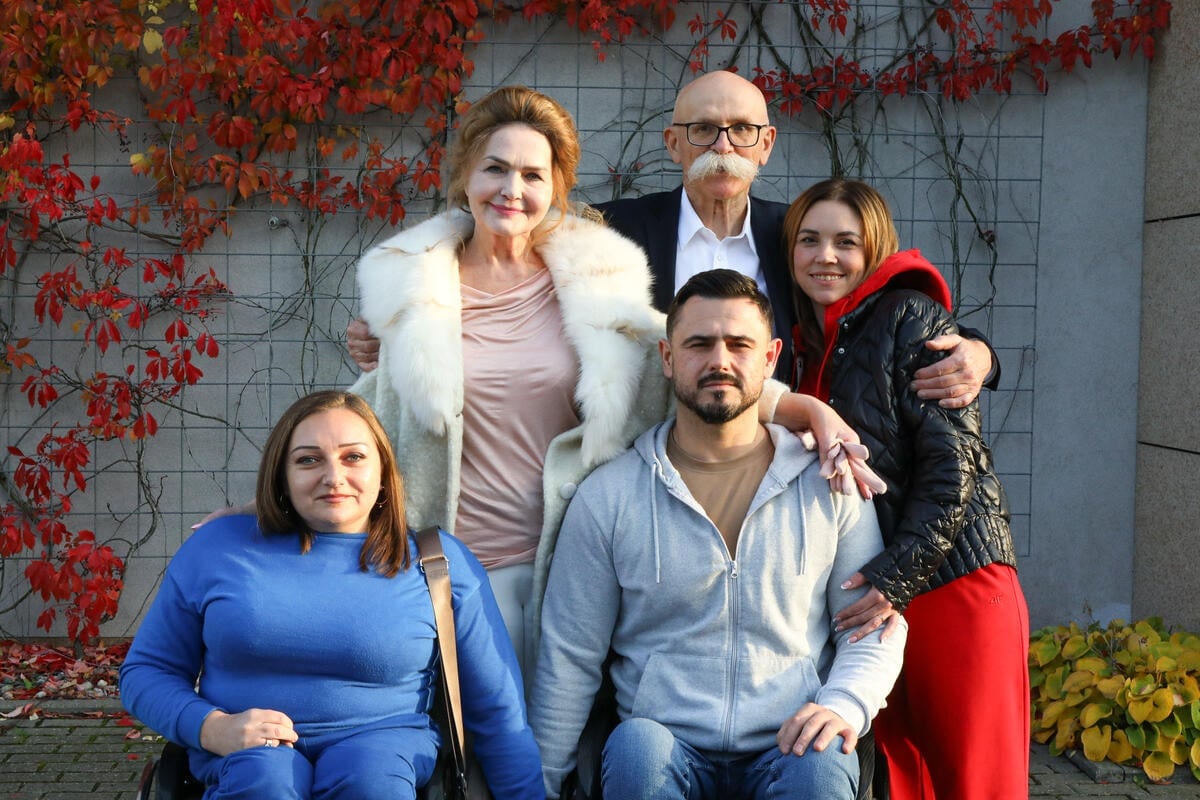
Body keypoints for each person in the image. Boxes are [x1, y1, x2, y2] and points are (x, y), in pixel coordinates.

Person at [345, 84, 855, 674]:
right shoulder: (415, 287)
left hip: (560, 568)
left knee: (544, 751)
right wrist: (269, 506)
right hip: (434, 565)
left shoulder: (594, 282)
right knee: (445, 752)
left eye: (533, 175)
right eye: (496, 169)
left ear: (555, 188)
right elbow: (361, 417)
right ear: (465, 177)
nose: (513, 190)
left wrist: (807, 410)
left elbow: (683, 367)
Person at [347, 71, 996, 406]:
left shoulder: (799, 235)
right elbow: (501, 230)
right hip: (635, 463)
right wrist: (403, 308)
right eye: (704, 129)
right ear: (673, 143)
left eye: (742, 129)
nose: (723, 145)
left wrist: (977, 354)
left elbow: (885, 304)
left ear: (766, 145)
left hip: (772, 462)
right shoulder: (613, 229)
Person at [528, 270, 907, 800]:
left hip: (790, 744)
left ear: (771, 358)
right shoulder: (610, 495)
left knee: (824, 762)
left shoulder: (829, 484)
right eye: (699, 344)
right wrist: (540, 787)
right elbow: (569, 655)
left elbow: (873, 627)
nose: (719, 361)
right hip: (664, 745)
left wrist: (844, 704)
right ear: (666, 357)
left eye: (739, 344)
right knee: (636, 747)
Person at [119, 390, 543, 800]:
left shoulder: (439, 562)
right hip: (246, 759)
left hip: (382, 757)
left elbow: (497, 711)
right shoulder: (217, 548)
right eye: (308, 460)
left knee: (370, 778)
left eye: (353, 457)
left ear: (383, 472)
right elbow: (147, 671)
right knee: (265, 778)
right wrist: (212, 728)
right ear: (281, 475)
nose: (333, 476)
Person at [784, 178, 1030, 799]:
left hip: (953, 585)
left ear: (874, 250)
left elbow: (955, 470)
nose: (826, 257)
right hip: (880, 590)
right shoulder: (807, 339)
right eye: (809, 241)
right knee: (902, 777)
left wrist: (895, 578)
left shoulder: (908, 316)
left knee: (975, 779)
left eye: (846, 242)